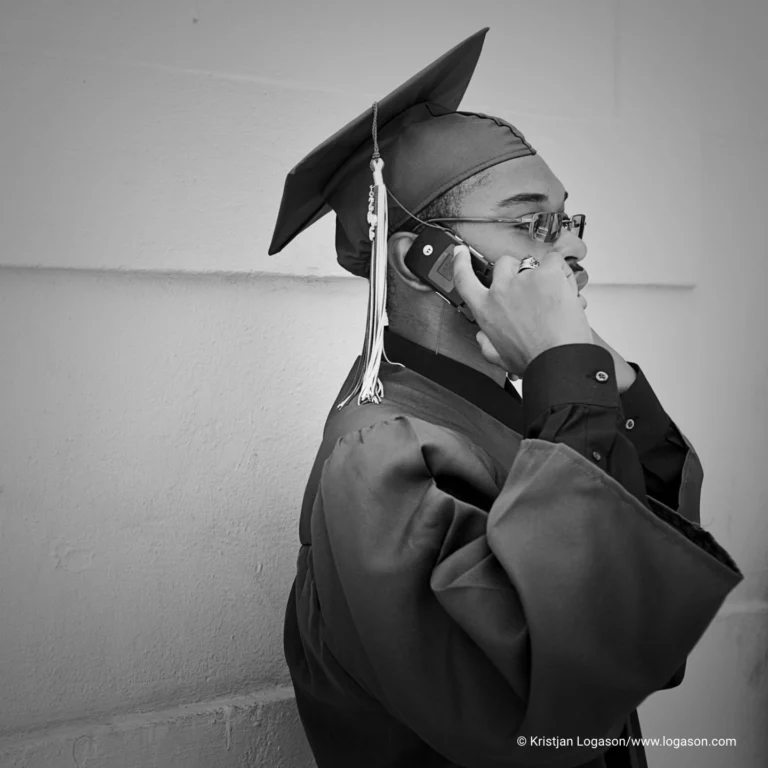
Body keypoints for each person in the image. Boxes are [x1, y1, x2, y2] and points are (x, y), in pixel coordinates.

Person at [269, 28, 743, 768]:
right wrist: (564, 382)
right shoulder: (385, 453)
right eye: (531, 223)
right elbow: (534, 711)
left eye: (568, 221)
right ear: (424, 259)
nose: (574, 249)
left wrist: (600, 382)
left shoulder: (519, 411)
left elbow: (636, 632)